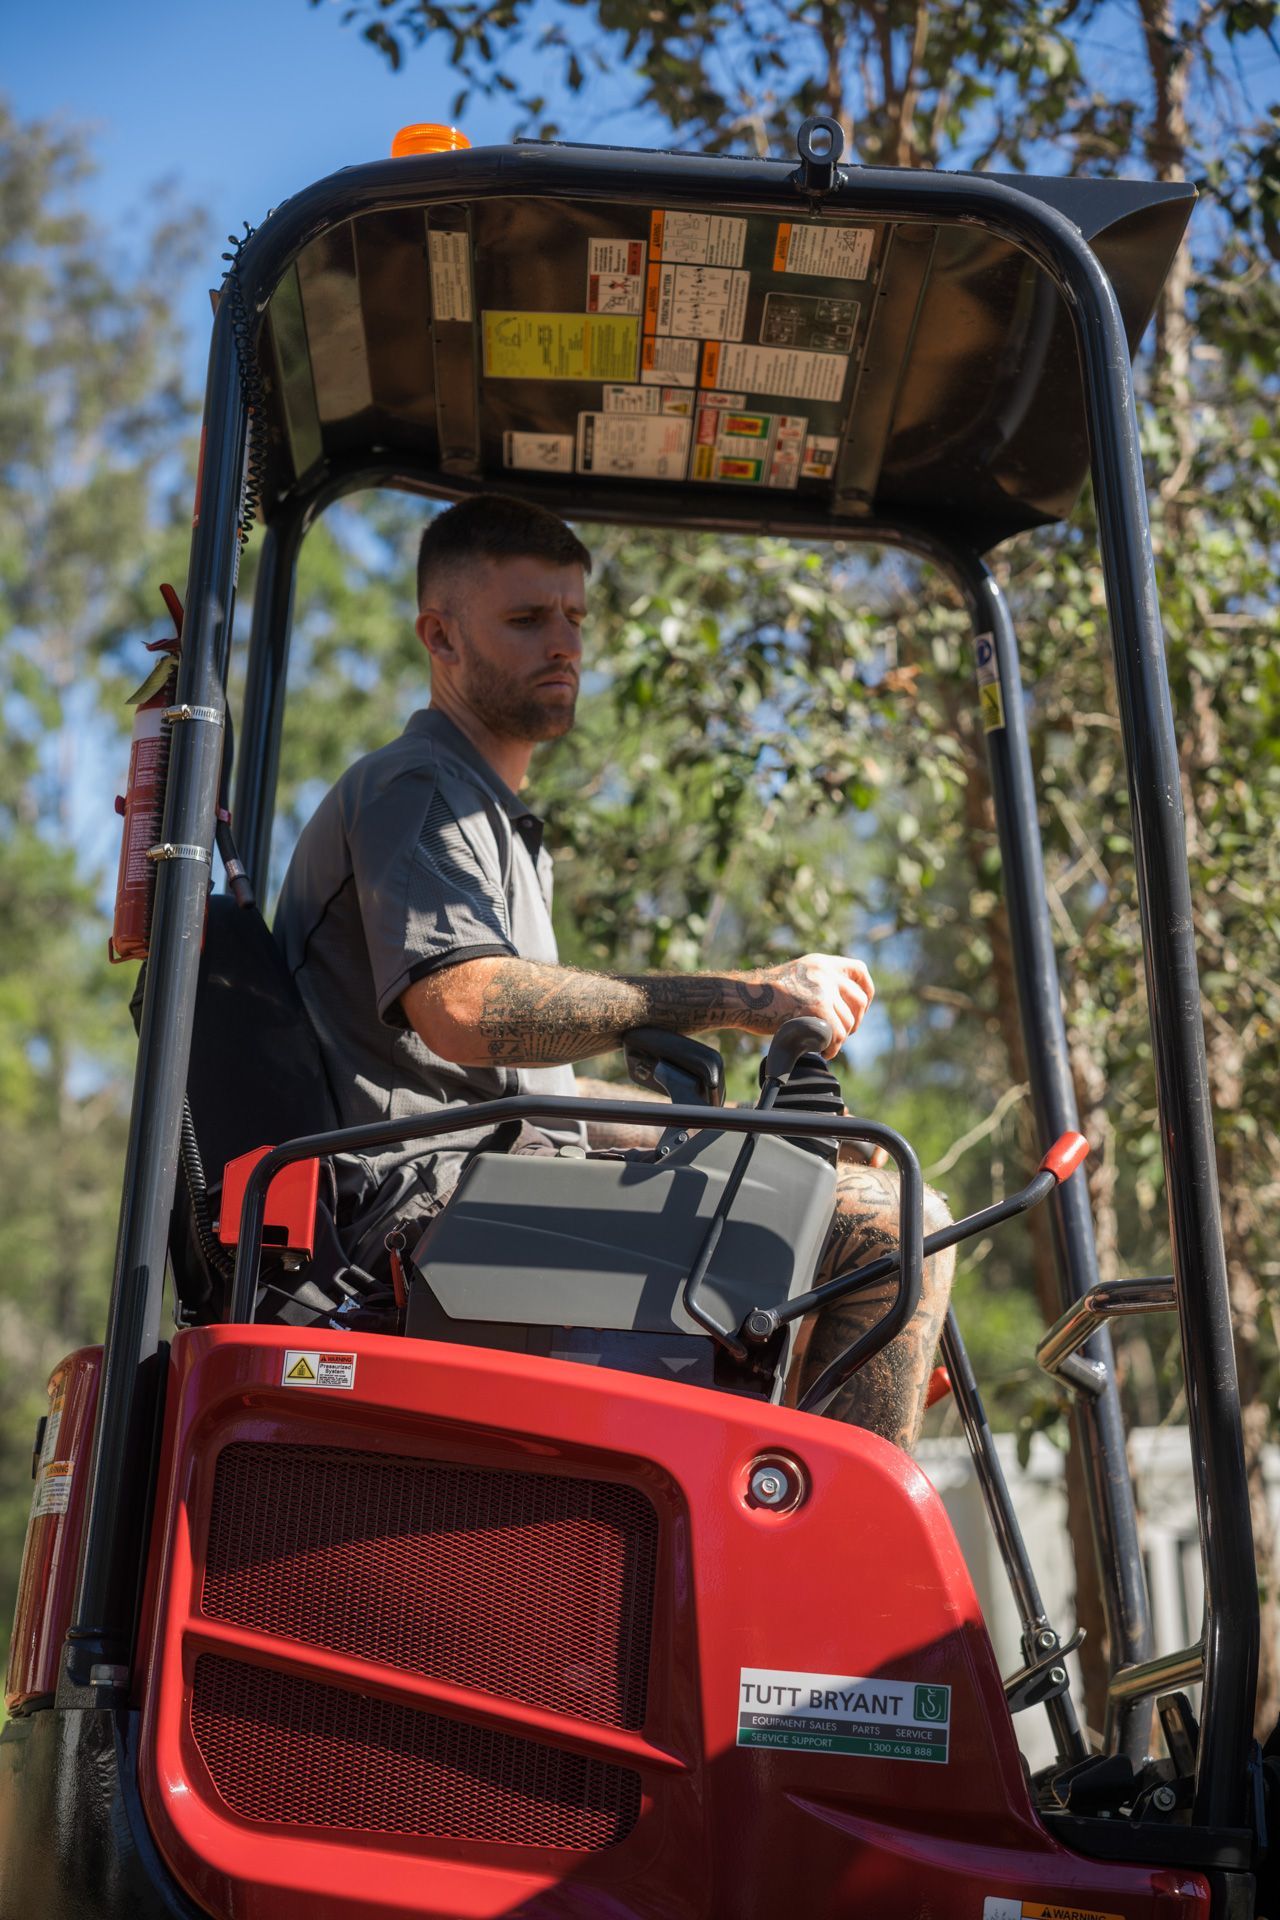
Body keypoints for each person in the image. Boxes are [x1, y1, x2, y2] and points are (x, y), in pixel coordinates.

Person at [275, 494, 954, 1449]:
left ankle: (765, 1506)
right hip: (420, 1221)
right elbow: (464, 1009)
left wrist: (732, 1133)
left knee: (819, 1194)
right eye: (525, 621)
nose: (564, 645)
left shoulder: (489, 814)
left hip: (487, 1185)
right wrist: (750, 997)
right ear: (441, 637)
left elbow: (524, 1090)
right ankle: (818, 1554)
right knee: (890, 1232)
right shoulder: (417, 790)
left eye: (574, 619)